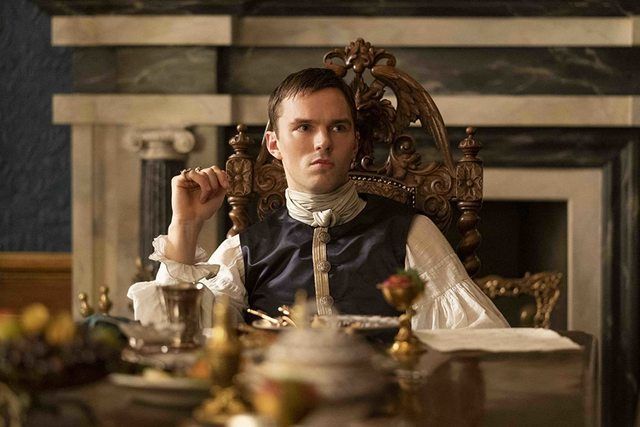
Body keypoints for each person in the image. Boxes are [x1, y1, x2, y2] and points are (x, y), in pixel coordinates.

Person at [128, 68, 508, 329]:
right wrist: (185, 226)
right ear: (274, 144)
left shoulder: (409, 234)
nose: (323, 141)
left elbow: (478, 336)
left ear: (354, 141)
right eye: (304, 127)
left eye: (338, 127)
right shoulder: (244, 251)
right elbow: (176, 338)